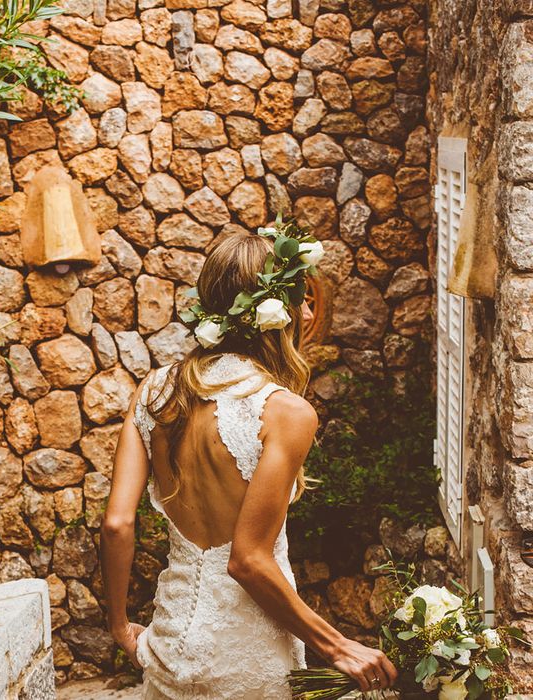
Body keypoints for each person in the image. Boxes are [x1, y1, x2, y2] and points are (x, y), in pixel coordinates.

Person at [99, 224, 398, 699]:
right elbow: (248, 560)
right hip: (246, 650)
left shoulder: (154, 389)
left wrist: (120, 626)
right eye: (300, 298)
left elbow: (116, 523)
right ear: (272, 314)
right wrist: (337, 646)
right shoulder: (285, 412)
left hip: (170, 641)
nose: (305, 310)